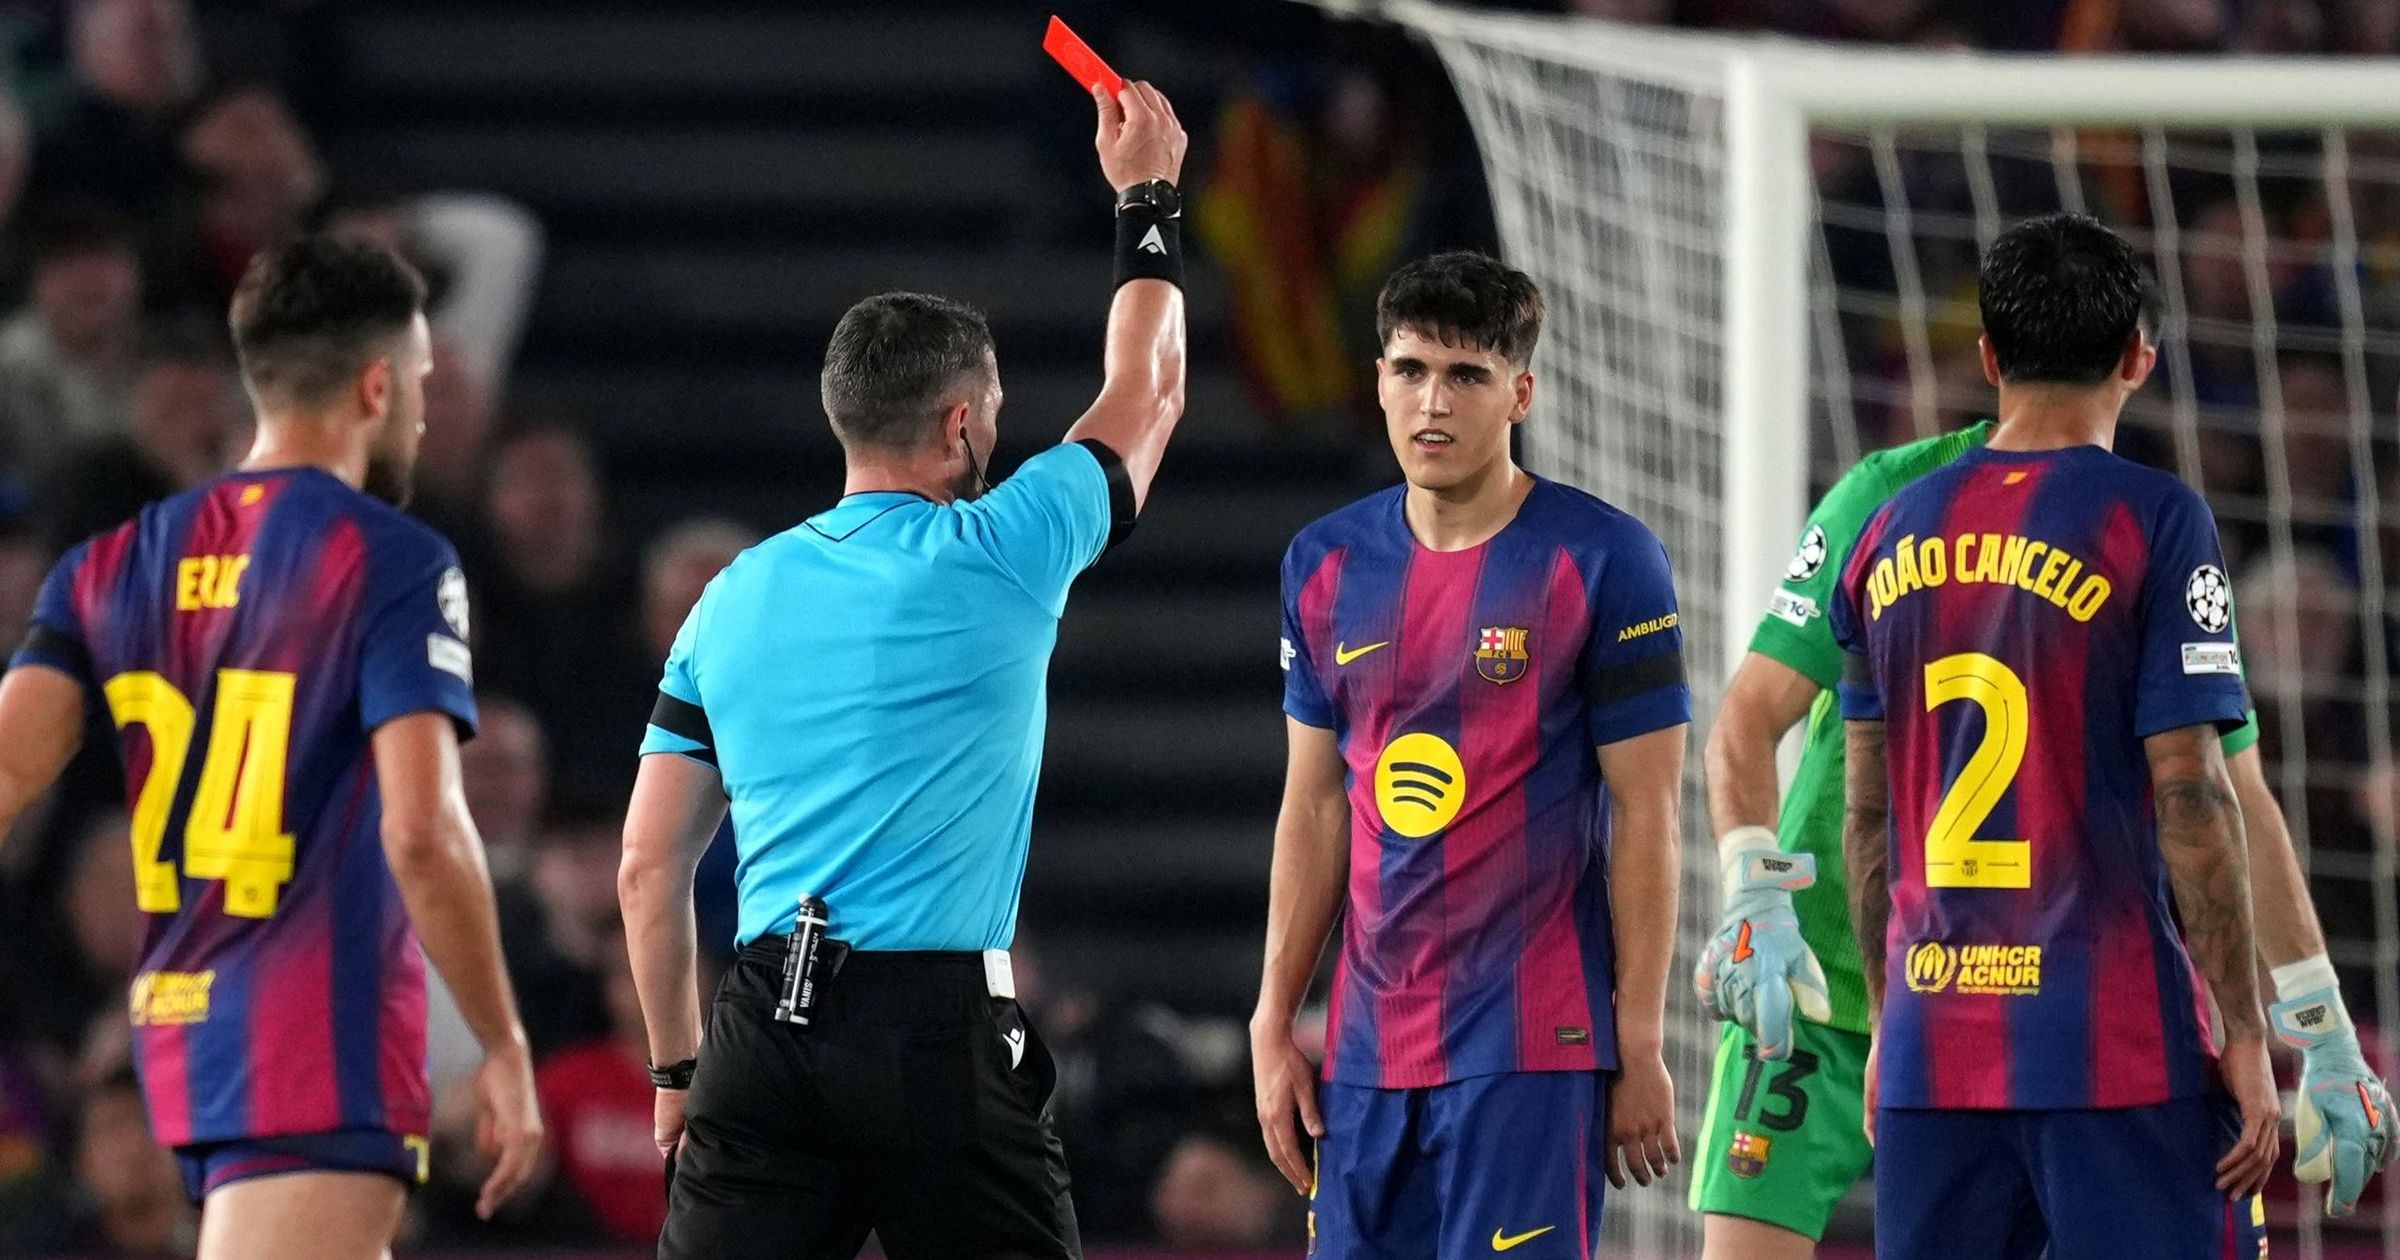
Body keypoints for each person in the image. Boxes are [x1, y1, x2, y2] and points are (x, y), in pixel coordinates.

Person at [618, 80, 1188, 1259]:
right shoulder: (1005, 547)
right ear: (963, 424)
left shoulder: (726, 598)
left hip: (762, 1028)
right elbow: (1151, 391)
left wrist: (679, 1068)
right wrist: (1147, 196)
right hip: (935, 1031)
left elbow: (646, 866)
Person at [1694, 433, 2398, 1255]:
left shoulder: (2141, 523)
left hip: (1994, 1002)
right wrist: (1759, 889)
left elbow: (2231, 795)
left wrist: (2323, 1024)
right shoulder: (1901, 495)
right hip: (1817, 976)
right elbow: (1747, 718)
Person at [0, 234, 541, 1260]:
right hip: (315, 1024)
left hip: (182, 1015)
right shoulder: (390, 558)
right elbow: (425, 831)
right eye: (422, 382)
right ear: (378, 385)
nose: (425, 412)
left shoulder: (110, 560)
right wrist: (503, 1040)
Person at [1829, 213, 2294, 1257]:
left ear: (1989, 357)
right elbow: (2193, 794)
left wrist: (1884, 1020)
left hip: (1930, 1046)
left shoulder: (1886, 531)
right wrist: (2247, 1029)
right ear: (2140, 354)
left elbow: (1865, 816)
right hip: (2114, 1046)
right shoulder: (2155, 520)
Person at [1252, 250, 1690, 1259]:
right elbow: (1314, 805)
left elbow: (1648, 811)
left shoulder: (1605, 559)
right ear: (1378, 381)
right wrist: (1276, 1018)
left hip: (1531, 1047)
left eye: (1466, 376)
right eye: (1410, 371)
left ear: (1520, 393)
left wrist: (1640, 1038)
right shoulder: (1323, 564)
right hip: (1363, 1054)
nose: (1431, 402)